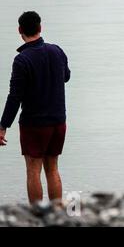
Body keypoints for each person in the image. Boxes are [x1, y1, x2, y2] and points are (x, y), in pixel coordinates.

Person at [0, 11, 71, 204]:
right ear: (40, 28)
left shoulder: (22, 60)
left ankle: (37, 216)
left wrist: (3, 126)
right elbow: (66, 76)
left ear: (20, 30)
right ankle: (57, 214)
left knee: (33, 171)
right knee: (53, 168)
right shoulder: (57, 50)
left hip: (35, 124)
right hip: (58, 121)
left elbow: (15, 97)